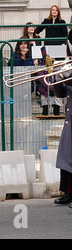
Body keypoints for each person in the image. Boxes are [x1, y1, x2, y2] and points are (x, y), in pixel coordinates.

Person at [51, 69, 72, 205]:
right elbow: (60, 93)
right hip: (69, 119)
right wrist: (57, 79)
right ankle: (67, 192)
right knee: (66, 157)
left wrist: (67, 76)